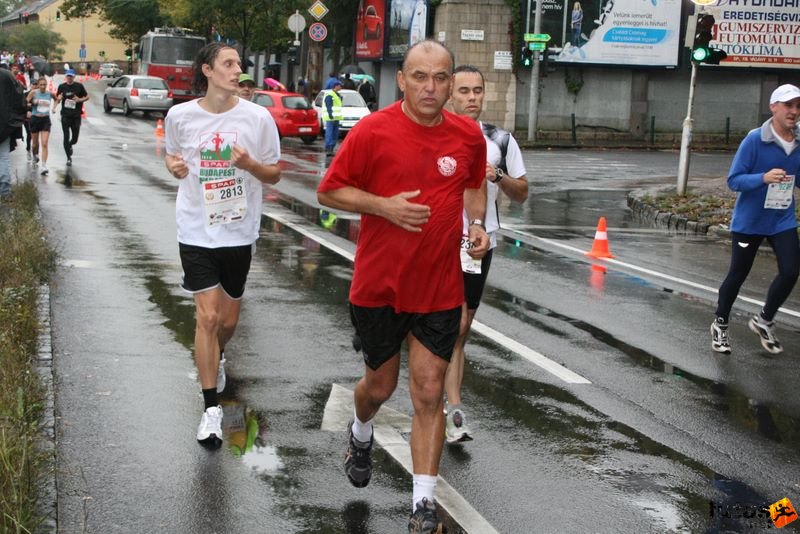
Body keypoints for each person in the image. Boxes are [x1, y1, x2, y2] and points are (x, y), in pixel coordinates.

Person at [317, 39, 489, 533]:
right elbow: (328, 189)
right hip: (379, 287)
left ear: (451, 83)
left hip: (438, 288)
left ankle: (423, 504)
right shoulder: (373, 131)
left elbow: (474, 183)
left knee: (430, 392)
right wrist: (384, 205)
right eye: (420, 77)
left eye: (440, 79)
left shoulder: (467, 136)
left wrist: (476, 225)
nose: (431, 88)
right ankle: (361, 430)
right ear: (402, 79)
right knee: (379, 385)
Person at [164, 42, 281, 446]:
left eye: (239, 65)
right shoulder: (181, 115)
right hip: (196, 229)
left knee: (227, 323)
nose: (237, 71)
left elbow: (275, 173)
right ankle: (211, 409)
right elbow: (172, 156)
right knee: (208, 318)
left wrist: (249, 165)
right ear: (207, 70)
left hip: (238, 231)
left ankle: (217, 355)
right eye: (228, 64)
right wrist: (174, 166)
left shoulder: (258, 118)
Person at [444, 65, 529, 443]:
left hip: (478, 243)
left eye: (477, 90)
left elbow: (522, 192)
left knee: (461, 328)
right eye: (464, 91)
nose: (472, 97)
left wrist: (498, 177)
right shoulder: (435, 133)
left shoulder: (500, 140)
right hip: (438, 239)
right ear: (450, 94)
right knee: (446, 323)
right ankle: (450, 405)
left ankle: (450, 407)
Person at [710, 84, 800, 355]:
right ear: (773, 107)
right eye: (788, 105)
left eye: (798, 106)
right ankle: (720, 324)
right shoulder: (754, 140)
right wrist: (763, 177)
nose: (794, 112)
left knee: (791, 270)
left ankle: (764, 320)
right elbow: (734, 180)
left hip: (782, 219)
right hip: (750, 221)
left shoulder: (799, 141)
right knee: (738, 274)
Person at [54, 69, 88, 166]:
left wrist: (79, 100)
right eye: (68, 76)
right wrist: (58, 100)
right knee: (66, 136)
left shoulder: (79, 86)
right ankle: (68, 158)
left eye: (71, 76)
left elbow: (87, 97)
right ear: (66, 76)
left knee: (74, 139)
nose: (69, 78)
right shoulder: (62, 87)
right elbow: (58, 98)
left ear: (74, 77)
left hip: (76, 116)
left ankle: (70, 144)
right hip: (65, 115)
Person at [1, 63, 24, 201]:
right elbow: (19, 96)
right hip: (4, 124)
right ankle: (4, 190)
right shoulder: (7, 75)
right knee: (3, 157)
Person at [28, 76, 55, 175]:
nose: (43, 86)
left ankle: (44, 166)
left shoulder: (49, 94)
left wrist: (54, 108)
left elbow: (56, 99)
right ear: (38, 85)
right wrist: (32, 103)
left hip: (45, 120)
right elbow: (26, 102)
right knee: (35, 144)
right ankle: (35, 154)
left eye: (45, 84)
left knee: (44, 143)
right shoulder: (33, 93)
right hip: (35, 119)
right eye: (41, 85)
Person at [322, 81, 343, 157]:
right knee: (330, 133)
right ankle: (328, 149)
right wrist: (330, 114)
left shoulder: (338, 95)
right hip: (331, 118)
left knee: (335, 134)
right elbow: (329, 106)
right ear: (336, 86)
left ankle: (331, 148)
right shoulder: (330, 95)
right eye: (340, 86)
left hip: (336, 118)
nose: (341, 87)